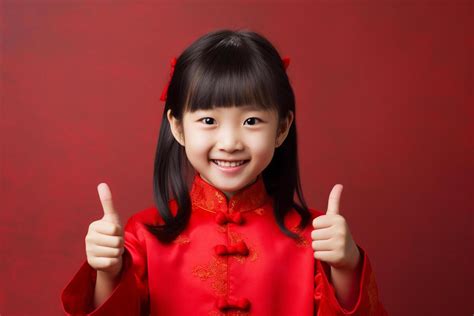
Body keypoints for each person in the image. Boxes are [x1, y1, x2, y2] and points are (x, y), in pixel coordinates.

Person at [60, 29, 388, 315]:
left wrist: (346, 267)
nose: (229, 143)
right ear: (177, 126)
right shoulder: (143, 236)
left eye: (251, 121)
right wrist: (107, 272)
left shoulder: (314, 238)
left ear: (283, 127)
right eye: (208, 121)